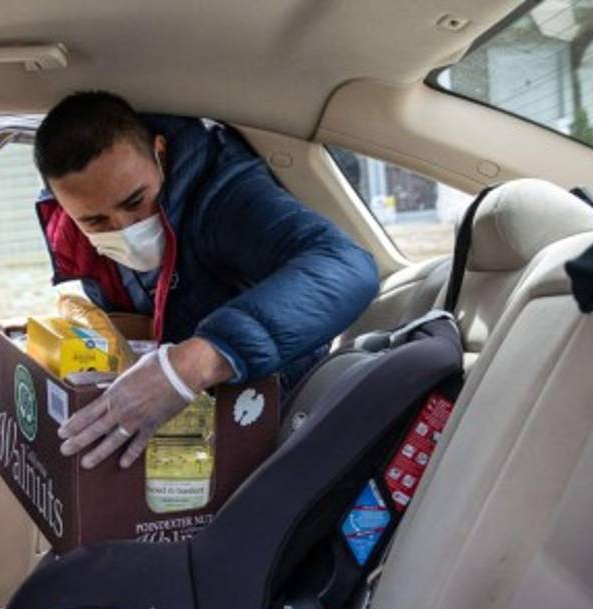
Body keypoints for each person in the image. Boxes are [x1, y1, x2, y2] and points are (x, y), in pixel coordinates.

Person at [34, 91, 377, 469]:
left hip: (267, 420)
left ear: (160, 153)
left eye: (135, 201)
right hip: (187, 443)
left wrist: (192, 364)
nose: (124, 228)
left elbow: (347, 267)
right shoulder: (72, 237)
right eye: (95, 222)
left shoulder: (223, 196)